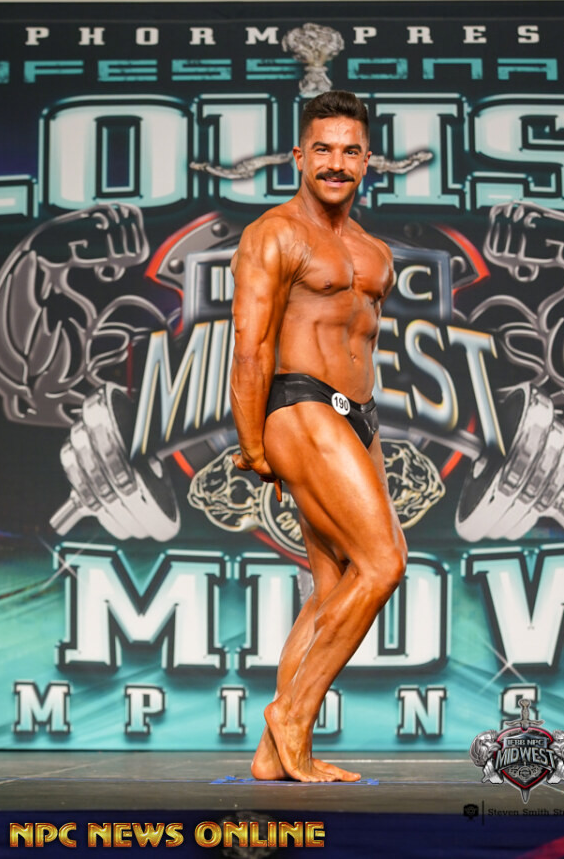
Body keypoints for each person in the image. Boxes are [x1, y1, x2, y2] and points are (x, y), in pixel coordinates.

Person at [230, 90, 407, 783]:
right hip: (298, 403)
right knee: (383, 563)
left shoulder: (373, 251)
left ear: (367, 161)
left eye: (350, 151)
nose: (337, 163)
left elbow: (359, 343)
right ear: (299, 157)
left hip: (358, 417)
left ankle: (271, 754)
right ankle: (293, 716)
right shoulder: (274, 233)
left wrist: (364, 427)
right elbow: (251, 346)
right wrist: (253, 445)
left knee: (334, 583)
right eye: (324, 149)